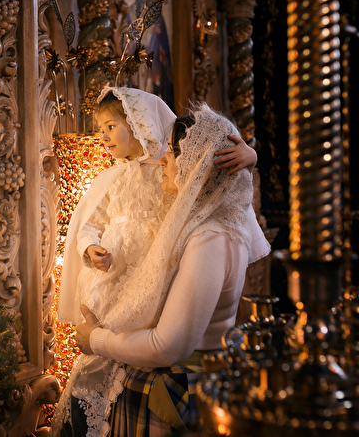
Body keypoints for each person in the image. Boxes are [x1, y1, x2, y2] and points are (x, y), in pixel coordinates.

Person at [54, 91, 259, 437]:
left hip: (178, 389)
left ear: (195, 163)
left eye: (174, 151)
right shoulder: (205, 224)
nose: (163, 158)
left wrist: (96, 339)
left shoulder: (210, 239)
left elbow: (166, 346)